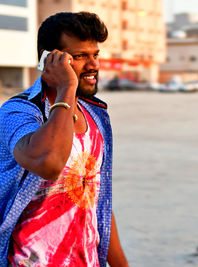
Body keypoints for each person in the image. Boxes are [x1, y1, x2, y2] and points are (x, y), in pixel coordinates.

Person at [0, 12, 129, 266]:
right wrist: (66, 88)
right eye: (80, 56)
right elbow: (49, 163)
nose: (93, 65)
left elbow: (97, 199)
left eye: (95, 54)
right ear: (49, 60)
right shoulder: (18, 113)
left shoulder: (95, 116)